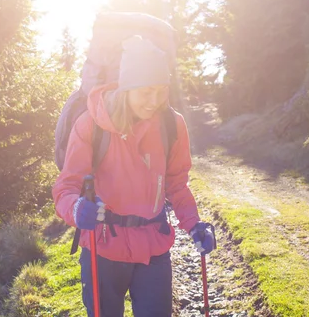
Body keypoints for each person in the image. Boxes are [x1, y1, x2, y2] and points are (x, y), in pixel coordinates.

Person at [52, 35, 216, 317]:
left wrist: (193, 224)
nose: (154, 101)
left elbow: (177, 184)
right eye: (146, 92)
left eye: (161, 91)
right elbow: (66, 186)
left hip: (153, 245)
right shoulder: (92, 124)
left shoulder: (172, 125)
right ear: (127, 87)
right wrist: (76, 208)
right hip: (102, 246)